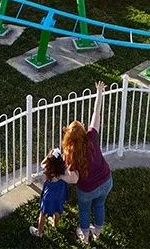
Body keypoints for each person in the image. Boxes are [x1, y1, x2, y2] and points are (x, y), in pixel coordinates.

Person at [60, 81, 113, 244]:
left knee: (84, 210)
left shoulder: (70, 154)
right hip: (106, 181)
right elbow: (97, 112)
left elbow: (74, 179)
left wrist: (60, 176)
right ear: (83, 131)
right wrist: (99, 91)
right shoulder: (92, 136)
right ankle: (97, 232)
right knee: (99, 205)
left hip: (87, 189)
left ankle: (85, 237)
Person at [29, 148, 72, 237]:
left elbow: (42, 163)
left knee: (43, 213)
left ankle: (39, 232)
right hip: (59, 194)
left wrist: (47, 158)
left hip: (48, 196)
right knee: (57, 210)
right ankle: (55, 225)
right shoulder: (63, 170)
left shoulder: (47, 168)